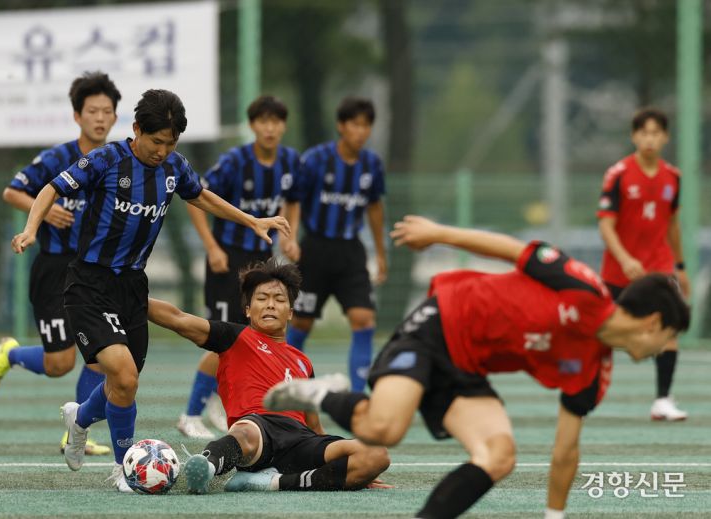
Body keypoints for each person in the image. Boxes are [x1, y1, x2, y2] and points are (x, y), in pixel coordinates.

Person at [265, 215, 690, 519]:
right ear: (653, 323)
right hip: (440, 323)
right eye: (669, 336)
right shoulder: (583, 287)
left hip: (467, 367)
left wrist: (554, 515)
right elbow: (511, 249)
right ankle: (324, 392)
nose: (666, 347)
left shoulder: (595, 372)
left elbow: (566, 451)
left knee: (499, 456)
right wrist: (438, 233)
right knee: (383, 430)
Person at [10, 89, 290, 493]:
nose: (162, 151)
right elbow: (51, 188)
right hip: (89, 283)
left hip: (132, 287)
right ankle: (125, 468)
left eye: (170, 143)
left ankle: (80, 418)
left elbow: (201, 196)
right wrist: (31, 229)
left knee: (122, 384)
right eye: (156, 141)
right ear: (137, 129)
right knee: (123, 375)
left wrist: (251, 220)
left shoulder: (174, 166)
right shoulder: (107, 160)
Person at [147, 258, 390, 494]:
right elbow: (178, 319)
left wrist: (357, 470)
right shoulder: (235, 337)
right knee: (246, 432)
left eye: (279, 299)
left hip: (300, 440)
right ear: (248, 310)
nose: (270, 305)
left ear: (290, 312)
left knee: (376, 455)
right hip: (257, 432)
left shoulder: (303, 362)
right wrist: (133, 297)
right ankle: (206, 466)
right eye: (262, 299)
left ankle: (273, 482)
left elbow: (314, 426)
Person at [0, 71, 122, 456]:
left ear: (115, 117)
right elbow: (11, 192)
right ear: (77, 116)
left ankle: (75, 433)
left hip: (94, 272)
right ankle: (10, 354)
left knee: (101, 354)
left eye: (106, 111)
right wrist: (45, 210)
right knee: (60, 363)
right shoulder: (57, 158)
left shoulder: (117, 161)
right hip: (54, 268)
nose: (99, 118)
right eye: (92, 111)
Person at [179, 95, 301, 439]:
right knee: (225, 338)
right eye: (263, 121)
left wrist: (290, 236)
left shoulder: (289, 161)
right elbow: (195, 199)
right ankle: (190, 414)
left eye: (276, 121)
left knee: (250, 338)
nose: (270, 128)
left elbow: (293, 201)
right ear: (252, 125)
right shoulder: (234, 162)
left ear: (283, 125)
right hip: (227, 259)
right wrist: (211, 246)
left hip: (260, 262)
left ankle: (219, 404)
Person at [282, 96, 387, 393]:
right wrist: (290, 238)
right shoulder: (316, 159)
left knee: (364, 319)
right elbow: (294, 200)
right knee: (300, 323)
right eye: (355, 124)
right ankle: (287, 389)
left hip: (351, 252)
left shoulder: (372, 164)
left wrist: (381, 253)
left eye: (366, 126)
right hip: (315, 250)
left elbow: (375, 207)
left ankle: (357, 397)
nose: (361, 131)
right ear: (341, 126)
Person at [597, 107, 690, 421]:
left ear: (665, 137)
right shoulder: (618, 174)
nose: (649, 139)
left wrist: (680, 266)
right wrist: (625, 258)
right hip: (619, 271)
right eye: (644, 133)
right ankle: (583, 392)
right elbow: (606, 224)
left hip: (659, 268)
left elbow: (673, 225)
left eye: (655, 133)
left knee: (669, 327)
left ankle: (662, 399)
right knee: (602, 332)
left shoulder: (673, 177)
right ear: (634, 136)